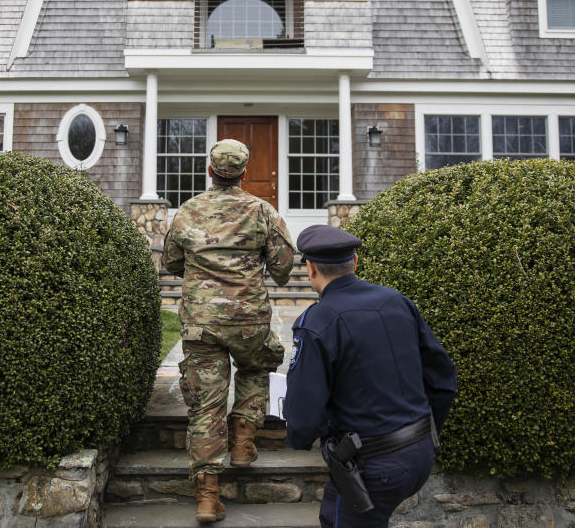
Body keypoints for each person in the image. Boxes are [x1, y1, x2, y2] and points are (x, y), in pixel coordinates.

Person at [285, 224, 457, 528]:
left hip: (375, 465)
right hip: (420, 451)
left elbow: (304, 413)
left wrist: (299, 437)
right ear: (354, 263)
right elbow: (443, 378)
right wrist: (427, 435)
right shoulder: (397, 301)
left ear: (310, 268)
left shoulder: (317, 321)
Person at [162, 138, 296, 524]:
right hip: (248, 319)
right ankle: (243, 441)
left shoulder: (188, 211)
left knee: (205, 404)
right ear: (243, 172)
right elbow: (285, 266)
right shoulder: (261, 211)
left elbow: (171, 262)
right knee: (257, 366)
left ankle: (207, 497)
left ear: (210, 171)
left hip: (201, 322)